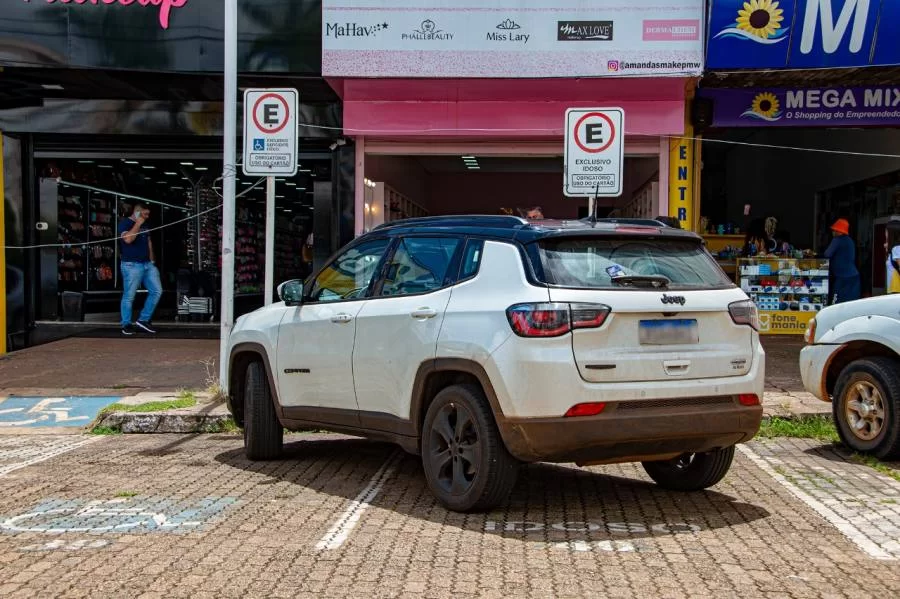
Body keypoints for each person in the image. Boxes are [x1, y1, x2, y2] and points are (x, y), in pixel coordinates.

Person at [119, 202, 162, 335]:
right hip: (131, 265)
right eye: (145, 214)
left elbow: (149, 242)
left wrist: (152, 259)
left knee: (157, 291)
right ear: (137, 212)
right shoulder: (125, 224)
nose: (147, 217)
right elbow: (128, 240)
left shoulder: (145, 225)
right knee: (129, 296)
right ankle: (126, 324)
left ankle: (144, 319)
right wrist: (137, 223)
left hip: (147, 264)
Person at [824, 218, 860, 304]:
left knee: (836, 304)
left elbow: (827, 254)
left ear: (838, 231)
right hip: (854, 277)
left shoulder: (837, 240)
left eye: (834, 230)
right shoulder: (850, 241)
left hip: (842, 278)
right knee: (852, 304)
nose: (832, 232)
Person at [887, 219, 900, 295]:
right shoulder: (895, 248)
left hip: (896, 288)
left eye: (886, 231)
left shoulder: (896, 248)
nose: (885, 233)